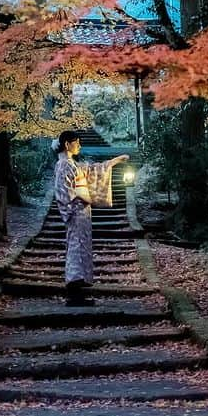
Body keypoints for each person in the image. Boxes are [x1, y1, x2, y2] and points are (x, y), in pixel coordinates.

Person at [53, 131, 129, 306]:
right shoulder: (64, 165)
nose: (79, 146)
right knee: (76, 250)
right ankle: (74, 293)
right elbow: (63, 192)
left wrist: (114, 161)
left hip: (82, 213)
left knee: (81, 249)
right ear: (67, 144)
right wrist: (72, 208)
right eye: (76, 142)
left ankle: (80, 292)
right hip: (76, 212)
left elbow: (92, 169)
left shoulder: (72, 164)